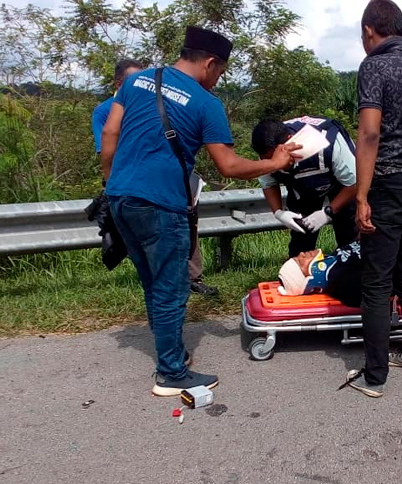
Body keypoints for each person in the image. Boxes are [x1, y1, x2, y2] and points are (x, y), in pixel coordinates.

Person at [100, 26, 300, 397]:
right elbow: (229, 165)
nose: (218, 79)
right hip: (162, 204)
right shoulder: (206, 103)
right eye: (220, 72)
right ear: (210, 63)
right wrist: (273, 162)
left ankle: (171, 353)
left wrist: (112, 182)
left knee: (153, 283)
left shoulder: (138, 80)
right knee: (172, 289)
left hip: (121, 198)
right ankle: (171, 374)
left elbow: (110, 134)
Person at [349, 0, 402, 398]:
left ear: (370, 30)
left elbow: (369, 135)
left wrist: (362, 196)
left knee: (377, 284)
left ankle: (374, 376)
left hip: (389, 187)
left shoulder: (374, 66)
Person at [92, 58, 218, 296]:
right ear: (119, 83)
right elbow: (106, 145)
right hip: (131, 184)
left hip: (173, 179)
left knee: (188, 225)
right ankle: (160, 285)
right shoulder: (106, 111)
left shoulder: (160, 100)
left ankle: (191, 278)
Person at [251, 116, 358, 257]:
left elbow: (355, 182)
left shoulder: (330, 144)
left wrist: (328, 212)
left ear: (290, 140)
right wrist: (279, 213)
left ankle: (350, 272)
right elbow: (269, 183)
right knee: (300, 243)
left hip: (342, 184)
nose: (273, 163)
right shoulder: (266, 152)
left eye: (275, 157)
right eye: (268, 160)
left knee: (349, 237)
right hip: (301, 189)